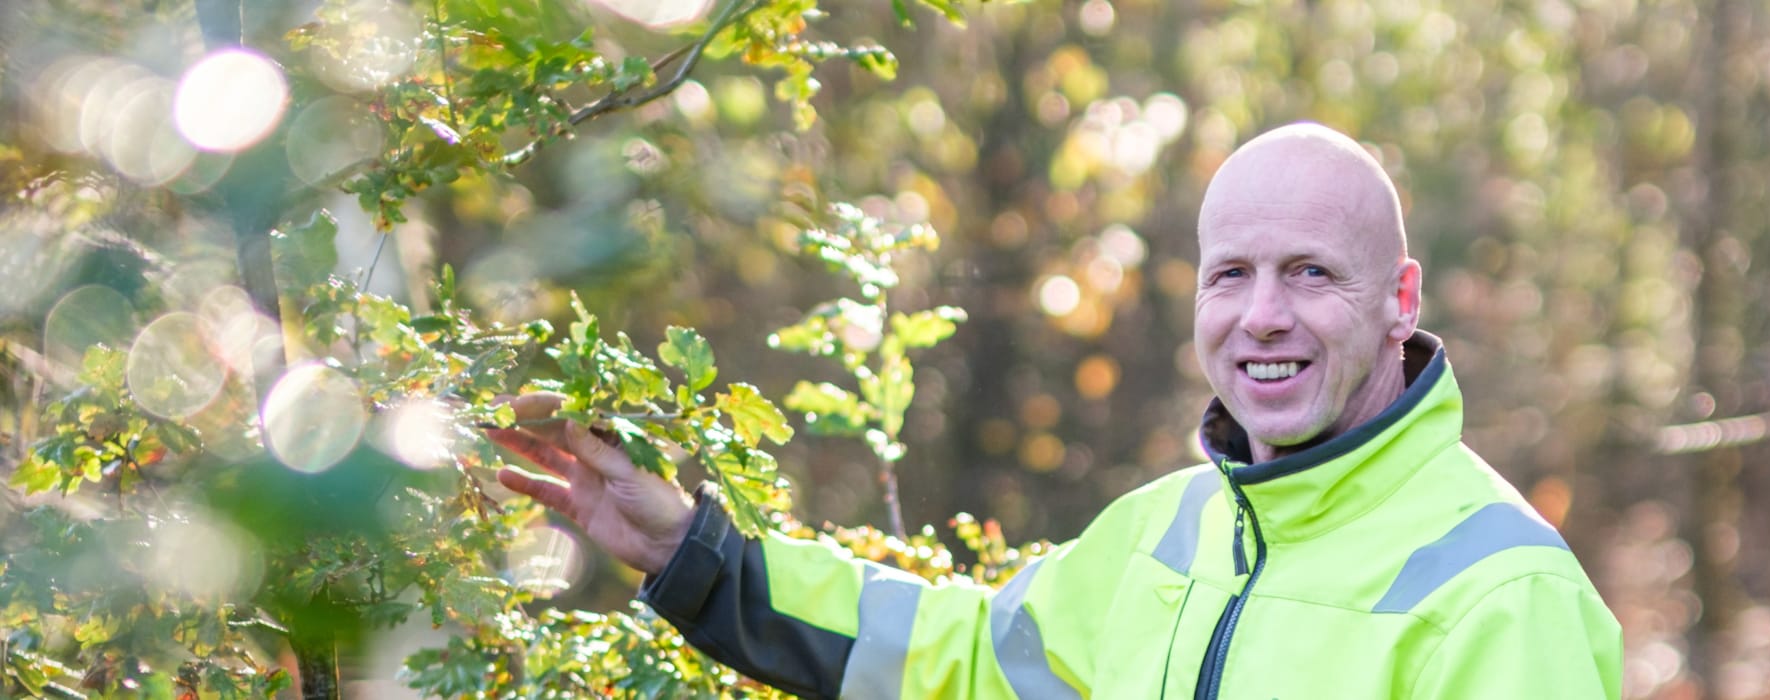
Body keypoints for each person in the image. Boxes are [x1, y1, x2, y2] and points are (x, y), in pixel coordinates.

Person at [489, 122, 1624, 699]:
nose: (1263, 316)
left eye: (1312, 274)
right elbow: (959, 658)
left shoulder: (1505, 596)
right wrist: (693, 553)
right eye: (1232, 274)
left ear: (1399, 300)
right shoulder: (1164, 534)